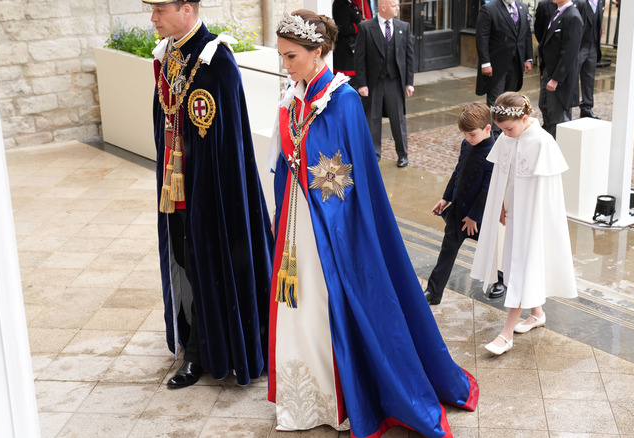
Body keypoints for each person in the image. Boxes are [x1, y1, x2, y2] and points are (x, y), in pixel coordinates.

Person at [268, 10, 479, 436]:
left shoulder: (342, 100)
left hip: (332, 225)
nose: (285, 66)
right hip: (298, 218)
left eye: (291, 57)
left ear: (317, 52)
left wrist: (327, 215)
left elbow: (352, 179)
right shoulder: (294, 95)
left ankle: (344, 395)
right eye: (282, 57)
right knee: (299, 304)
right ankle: (306, 395)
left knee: (328, 303)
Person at [146, 0, 274, 389]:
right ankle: (191, 339)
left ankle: (202, 354)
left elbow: (227, 145)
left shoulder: (216, 61)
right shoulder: (169, 54)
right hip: (177, 188)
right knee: (185, 265)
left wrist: (207, 194)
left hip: (212, 192)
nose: (152, 19)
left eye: (159, 10)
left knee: (208, 268)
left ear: (186, 8)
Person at [471, 92, 577, 355]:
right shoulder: (509, 138)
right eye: (501, 130)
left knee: (520, 267)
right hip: (514, 214)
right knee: (515, 264)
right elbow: (502, 177)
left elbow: (548, 193)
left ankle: (506, 333)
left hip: (532, 218)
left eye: (508, 128)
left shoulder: (543, 142)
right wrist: (501, 206)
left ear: (525, 118)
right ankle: (537, 314)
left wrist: (534, 219)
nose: (504, 134)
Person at [424, 103, 498, 305]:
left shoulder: (494, 152)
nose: (467, 138)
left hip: (479, 217)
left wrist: (474, 217)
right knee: (447, 251)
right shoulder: (467, 145)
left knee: (495, 250)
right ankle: (433, 291)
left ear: (487, 129)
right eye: (464, 134)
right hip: (458, 212)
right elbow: (457, 173)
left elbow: (487, 189)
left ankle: (503, 280)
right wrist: (445, 198)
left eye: (472, 134)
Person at [354, 0, 415, 167]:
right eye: (394, 5)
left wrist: (409, 82)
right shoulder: (366, 28)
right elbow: (359, 58)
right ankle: (374, 154)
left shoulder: (404, 27)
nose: (397, 8)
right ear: (383, 7)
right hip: (374, 83)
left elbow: (409, 57)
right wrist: (362, 84)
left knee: (398, 119)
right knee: (372, 119)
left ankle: (403, 155)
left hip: (394, 82)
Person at [474, 0, 534, 132]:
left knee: (510, 100)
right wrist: (485, 62)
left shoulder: (522, 7)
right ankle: (494, 133)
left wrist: (528, 58)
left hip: (516, 63)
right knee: (496, 101)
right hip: (496, 65)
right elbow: (482, 37)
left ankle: (507, 129)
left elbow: (527, 34)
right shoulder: (489, 9)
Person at [536, 0, 583, 138]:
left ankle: (558, 149)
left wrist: (556, 78)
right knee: (545, 107)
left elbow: (570, 52)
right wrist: (544, 70)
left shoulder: (573, 17)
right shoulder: (557, 13)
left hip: (559, 78)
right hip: (548, 72)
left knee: (557, 117)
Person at [574, 0, 604, 119]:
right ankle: (567, 108)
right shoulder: (579, 2)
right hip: (579, 46)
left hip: (593, 46)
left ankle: (587, 107)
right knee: (572, 77)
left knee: (589, 78)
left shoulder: (601, 2)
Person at [332, 0, 365, 85]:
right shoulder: (340, 4)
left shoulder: (350, 3)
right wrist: (362, 26)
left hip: (354, 46)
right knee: (349, 83)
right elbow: (345, 29)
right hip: (345, 49)